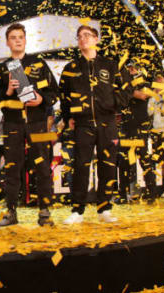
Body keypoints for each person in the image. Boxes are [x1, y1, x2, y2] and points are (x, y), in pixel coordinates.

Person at [0, 23, 58, 226]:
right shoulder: (1, 68)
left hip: (39, 124)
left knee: (43, 167)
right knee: (12, 169)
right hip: (12, 124)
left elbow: (55, 93)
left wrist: (41, 99)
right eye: (13, 37)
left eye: (21, 37)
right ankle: (11, 213)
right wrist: (7, 91)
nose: (17, 40)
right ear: (7, 42)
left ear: (25, 40)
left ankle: (44, 212)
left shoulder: (39, 63)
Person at [58, 25, 129, 224]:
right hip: (82, 124)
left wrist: (113, 104)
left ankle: (104, 208)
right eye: (79, 36)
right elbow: (63, 96)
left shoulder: (111, 65)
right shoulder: (70, 68)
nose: (83, 39)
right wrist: (67, 116)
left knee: (108, 166)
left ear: (97, 39)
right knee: (81, 166)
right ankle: (77, 210)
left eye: (87, 35)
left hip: (107, 123)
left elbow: (126, 89)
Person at [117, 64, 151, 203]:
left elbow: (143, 95)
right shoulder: (125, 84)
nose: (131, 71)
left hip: (140, 128)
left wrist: (126, 91)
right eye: (128, 69)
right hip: (126, 128)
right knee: (124, 162)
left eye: (133, 69)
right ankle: (122, 195)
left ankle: (151, 193)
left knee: (144, 161)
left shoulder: (145, 83)